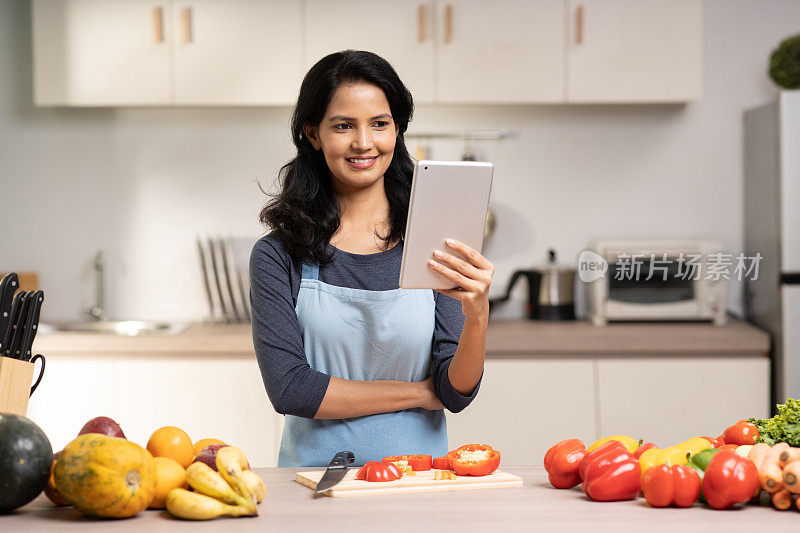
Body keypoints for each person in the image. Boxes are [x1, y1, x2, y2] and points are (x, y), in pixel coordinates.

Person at [250, 50, 494, 467]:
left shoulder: (436, 243)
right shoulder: (278, 253)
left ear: (397, 130)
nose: (364, 143)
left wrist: (478, 316)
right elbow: (291, 389)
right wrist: (419, 393)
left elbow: (454, 392)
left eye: (379, 124)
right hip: (314, 486)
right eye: (344, 126)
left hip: (418, 483)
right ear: (313, 134)